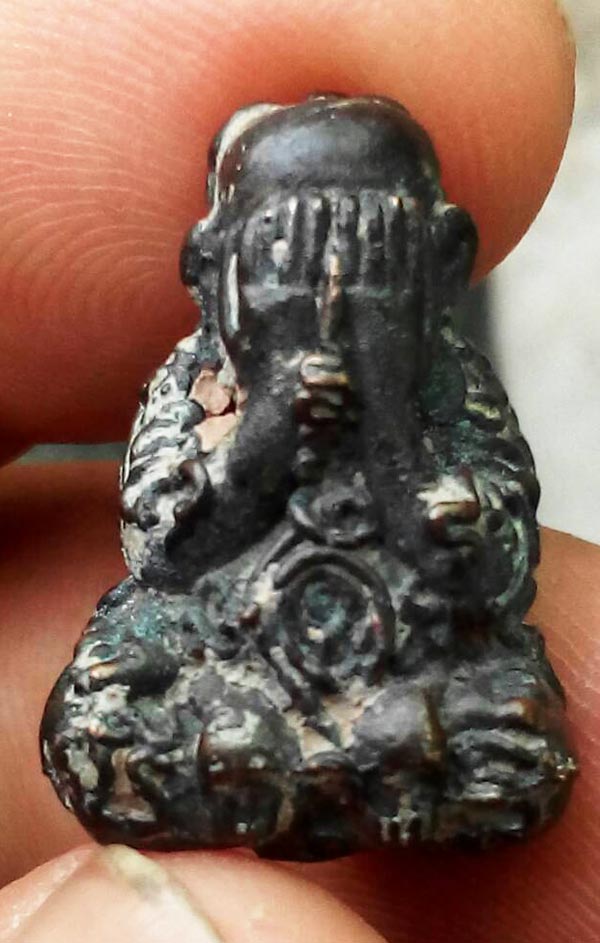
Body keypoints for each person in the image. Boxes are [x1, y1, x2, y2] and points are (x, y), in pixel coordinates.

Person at [1, 0, 597, 941]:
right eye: (287, 258)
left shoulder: (449, 389)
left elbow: (489, 575)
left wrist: (395, 439)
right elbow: (168, 553)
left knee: (511, 724)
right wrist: (266, 435)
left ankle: (326, 759)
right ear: (211, 268)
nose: (332, 298)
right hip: (224, 653)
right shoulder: (200, 383)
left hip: (409, 664)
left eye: (374, 258)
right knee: (101, 712)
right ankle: (281, 757)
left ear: (442, 264)